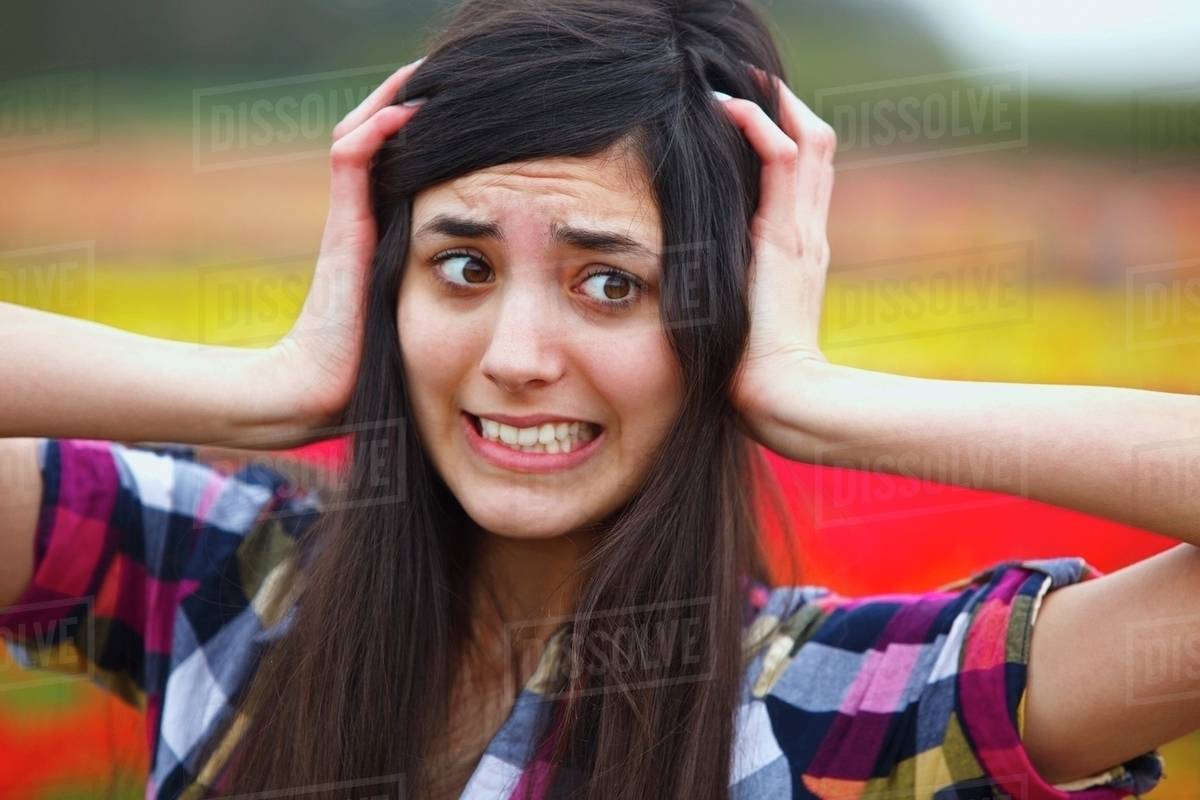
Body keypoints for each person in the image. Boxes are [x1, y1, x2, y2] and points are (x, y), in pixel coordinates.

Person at [0, 0, 1195, 798]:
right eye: (462, 265)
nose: (518, 355)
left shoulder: (828, 708)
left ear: (725, 315)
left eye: (612, 282)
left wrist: (807, 393)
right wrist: (268, 387)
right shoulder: (222, 574)